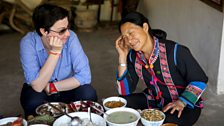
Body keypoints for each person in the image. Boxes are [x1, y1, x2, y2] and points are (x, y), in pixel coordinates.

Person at [115, 11, 208, 126]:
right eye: (125, 37)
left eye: (131, 33)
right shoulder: (133, 56)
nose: (129, 40)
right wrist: (122, 57)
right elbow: (124, 91)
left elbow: (199, 79)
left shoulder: (175, 51)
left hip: (183, 105)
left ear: (144, 27)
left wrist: (182, 102)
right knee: (120, 104)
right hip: (153, 100)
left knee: (165, 123)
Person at [19, 3, 97, 118]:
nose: (68, 34)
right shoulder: (28, 43)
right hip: (40, 91)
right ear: (44, 31)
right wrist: (55, 52)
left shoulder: (72, 38)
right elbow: (38, 86)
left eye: (68, 28)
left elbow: (85, 76)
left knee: (89, 94)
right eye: (62, 31)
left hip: (67, 86)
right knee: (32, 103)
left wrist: (52, 87)